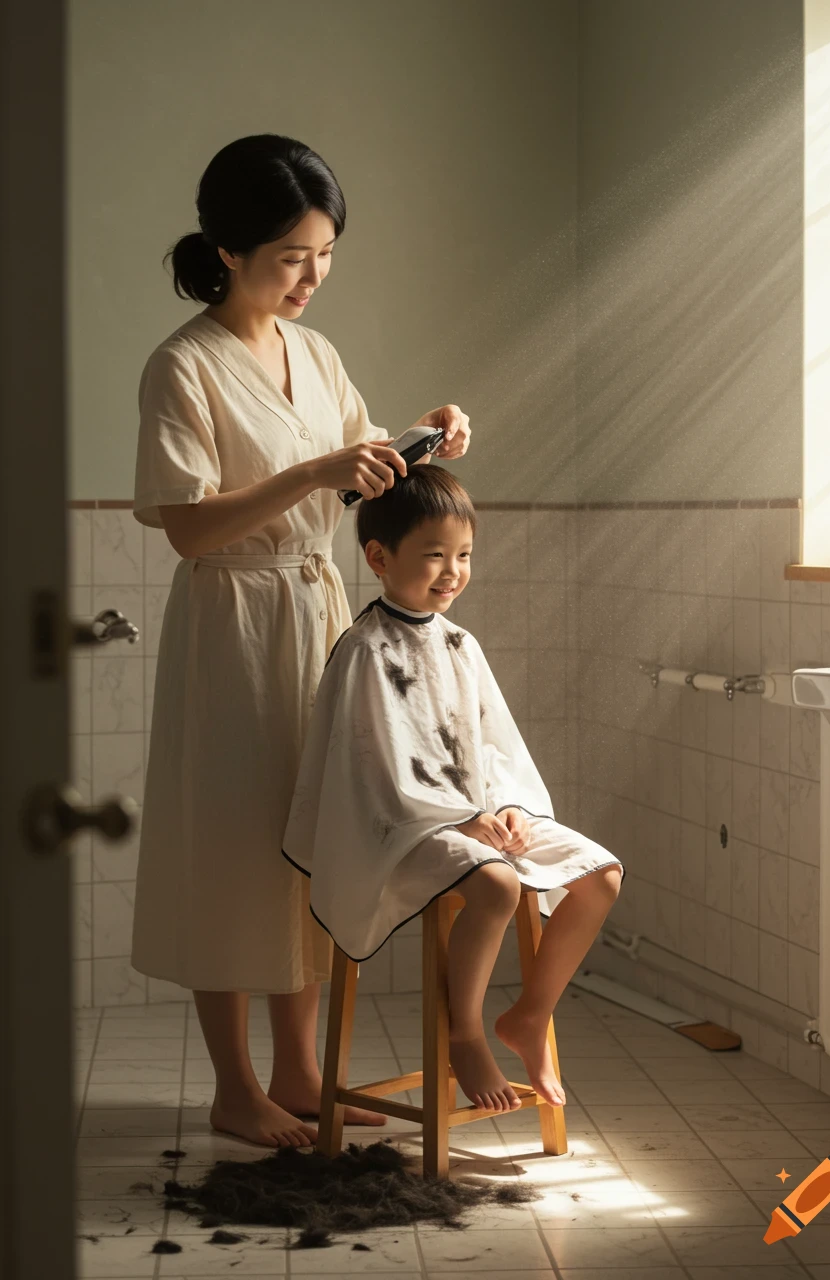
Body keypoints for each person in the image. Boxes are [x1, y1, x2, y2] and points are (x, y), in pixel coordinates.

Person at [130, 134, 471, 1148]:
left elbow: (353, 468)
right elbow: (188, 524)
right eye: (289, 257)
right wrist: (315, 475)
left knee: (311, 839)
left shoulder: (314, 354)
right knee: (230, 845)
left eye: (323, 253)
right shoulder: (181, 365)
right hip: (232, 620)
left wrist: (424, 433)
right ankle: (235, 1085)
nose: (310, 276)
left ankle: (298, 1068)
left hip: (319, 616)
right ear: (228, 251)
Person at [282, 465, 623, 1114]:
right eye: (434, 556)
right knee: (496, 884)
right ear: (379, 557)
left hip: (475, 814)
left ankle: (529, 1014)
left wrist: (509, 809)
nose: (452, 572)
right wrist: (461, 821)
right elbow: (372, 772)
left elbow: (495, 747)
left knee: (600, 877)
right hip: (397, 829)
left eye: (464, 556)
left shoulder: (462, 644)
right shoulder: (363, 650)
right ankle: (465, 1031)